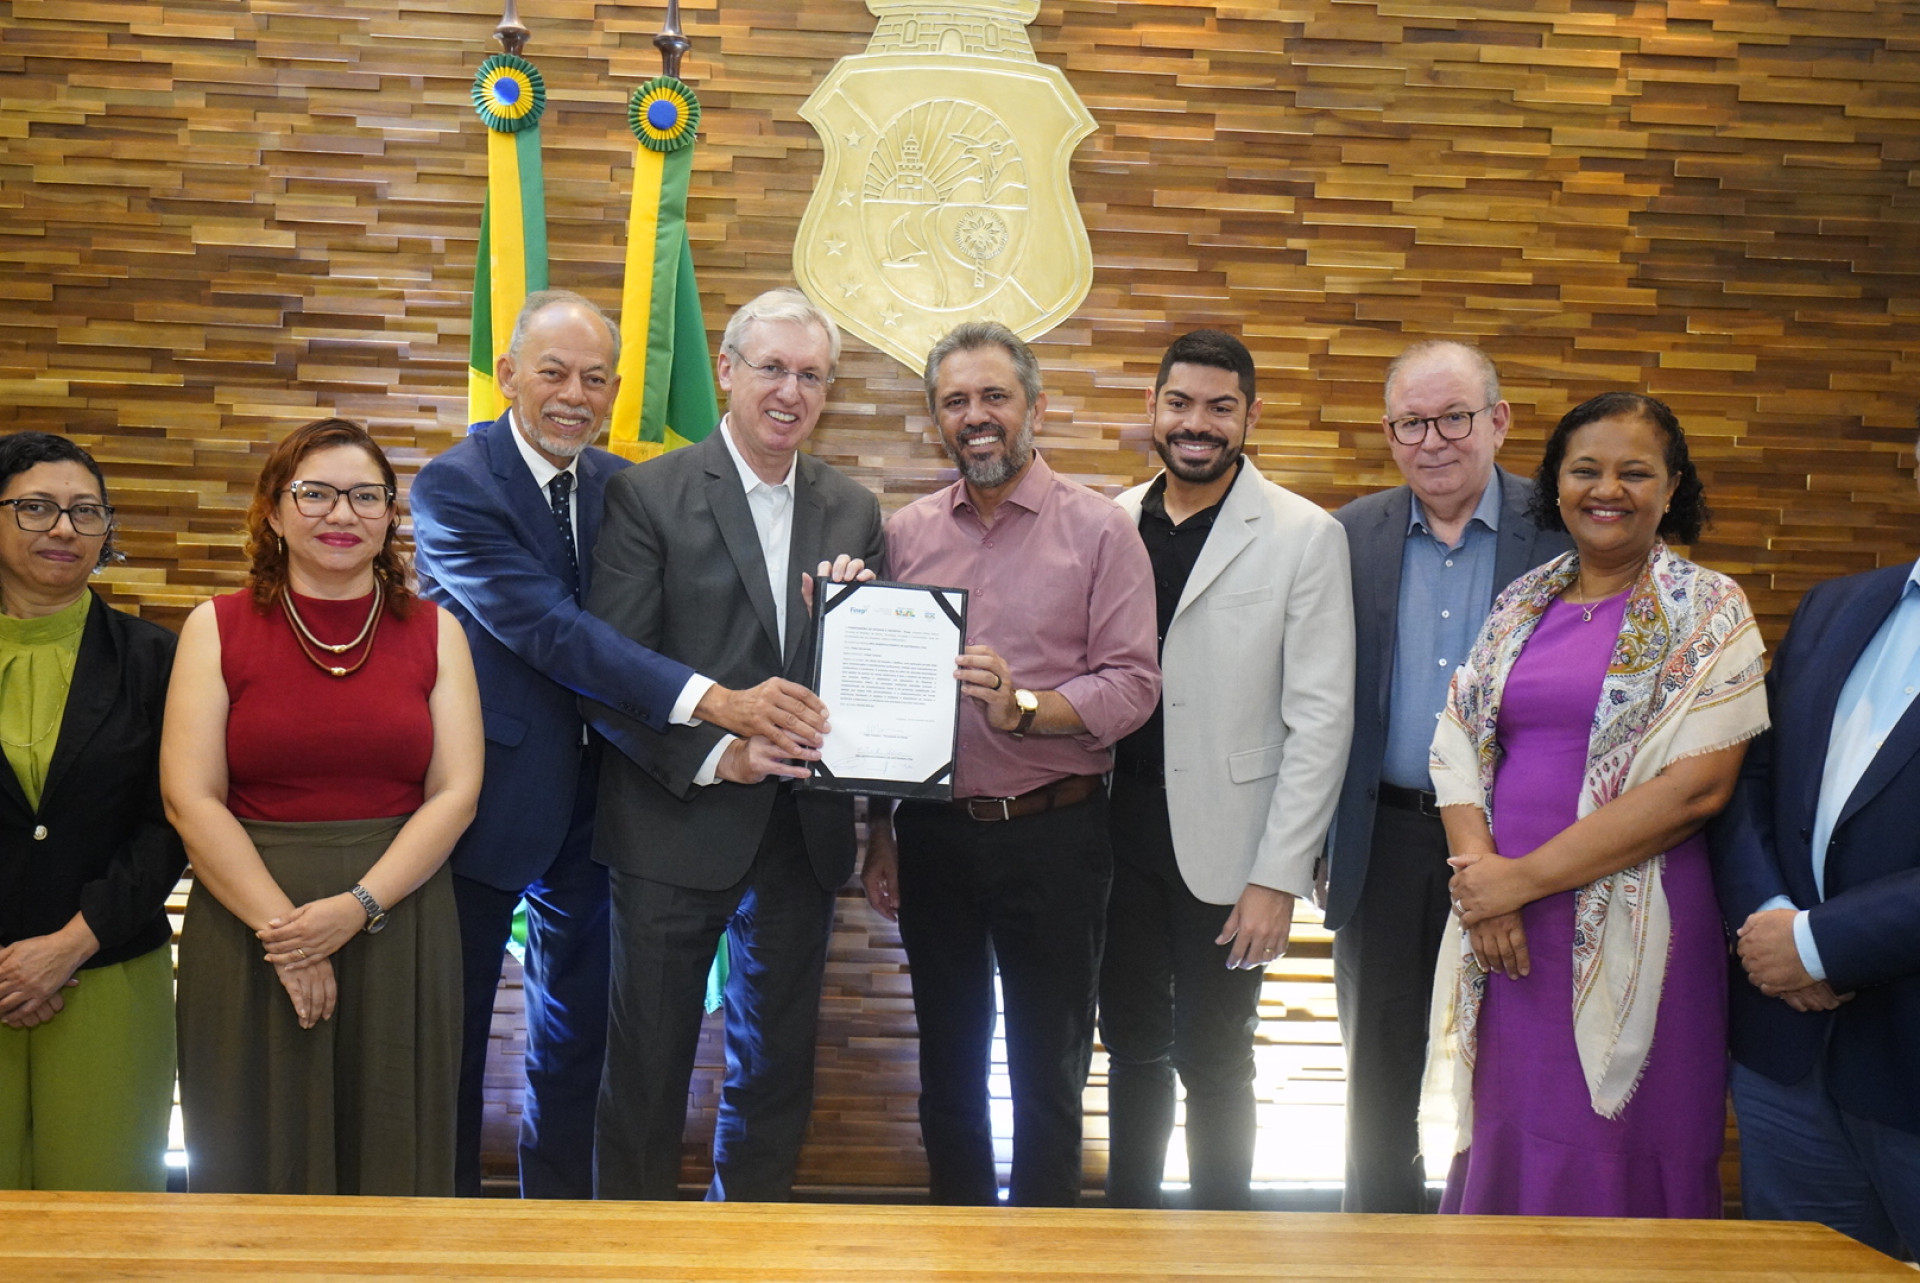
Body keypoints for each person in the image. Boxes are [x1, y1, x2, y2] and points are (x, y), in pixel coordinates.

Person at [412, 289, 830, 1198]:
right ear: (508, 371)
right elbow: (555, 634)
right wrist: (719, 702)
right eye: (553, 372)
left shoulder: (619, 487)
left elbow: (672, 619)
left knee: (579, 1045)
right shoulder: (452, 485)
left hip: (606, 808)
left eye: (595, 379)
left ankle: (562, 1232)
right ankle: (442, 1237)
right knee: (448, 1048)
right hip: (477, 806)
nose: (574, 394)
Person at [1428, 392, 1767, 1216]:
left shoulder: (1709, 608)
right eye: (1585, 469)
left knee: (1622, 1140)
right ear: (1556, 482)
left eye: (1634, 471)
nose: (1606, 489)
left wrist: (1518, 881)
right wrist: (1484, 886)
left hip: (1643, 924)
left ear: (1671, 485)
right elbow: (1458, 740)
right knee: (1509, 1128)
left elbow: (1696, 788)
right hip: (1508, 937)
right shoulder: (1522, 601)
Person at [584, 287, 884, 1202]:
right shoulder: (649, 494)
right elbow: (613, 675)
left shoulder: (855, 510)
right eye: (771, 369)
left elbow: (865, 680)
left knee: (775, 1071)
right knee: (647, 1075)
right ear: (726, 370)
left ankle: (751, 1249)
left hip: (803, 837)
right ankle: (627, 1262)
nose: (789, 392)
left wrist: (850, 621)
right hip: (673, 823)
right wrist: (722, 753)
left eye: (810, 375)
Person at [863, 321, 1160, 1207]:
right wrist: (878, 829)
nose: (976, 416)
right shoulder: (904, 535)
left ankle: (1044, 1256)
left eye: (995, 396)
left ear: (1034, 405)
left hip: (1056, 833)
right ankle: (956, 1246)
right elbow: (879, 697)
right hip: (934, 838)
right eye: (955, 401)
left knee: (1049, 1071)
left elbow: (1133, 684)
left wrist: (1026, 708)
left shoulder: (1101, 531)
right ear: (936, 420)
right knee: (948, 1068)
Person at [164, 417, 484, 1195]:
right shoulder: (216, 625)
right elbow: (189, 796)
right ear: (272, 511)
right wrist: (290, 936)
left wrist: (357, 906)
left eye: (365, 496)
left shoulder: (438, 633)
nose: (342, 515)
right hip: (250, 921)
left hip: (398, 919)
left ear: (388, 517)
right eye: (316, 493)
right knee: (253, 1144)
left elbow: (457, 792)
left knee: (393, 1149)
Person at [1100, 331, 1354, 1209]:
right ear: (1154, 409)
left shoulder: (1304, 534)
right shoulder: (1112, 517)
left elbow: (1321, 718)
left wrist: (1278, 875)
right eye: (1180, 403)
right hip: (1113, 836)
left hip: (1231, 846)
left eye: (1219, 406)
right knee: (1129, 1044)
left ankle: (1222, 1242)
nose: (1196, 423)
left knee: (1216, 1055)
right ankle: (1126, 1231)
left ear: (1250, 416)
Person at [1324, 340, 1571, 1212]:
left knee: (1515, 1064)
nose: (1433, 440)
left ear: (1498, 421)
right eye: (1410, 423)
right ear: (1390, 434)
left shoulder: (1568, 529)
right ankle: (1377, 1248)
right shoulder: (1350, 535)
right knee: (1378, 1076)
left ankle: (1498, 1242)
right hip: (1383, 839)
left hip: (1524, 848)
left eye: (1454, 418)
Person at [1712, 417, 1920, 1258]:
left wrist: (1820, 941)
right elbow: (1751, 780)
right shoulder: (1838, 606)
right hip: (1787, 1059)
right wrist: (1770, 917)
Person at [0, 432, 184, 1191]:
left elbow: (172, 820)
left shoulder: (155, 658)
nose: (64, 529)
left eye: (85, 512)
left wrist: (67, 945)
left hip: (108, 971)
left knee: (100, 1230)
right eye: (36, 508)